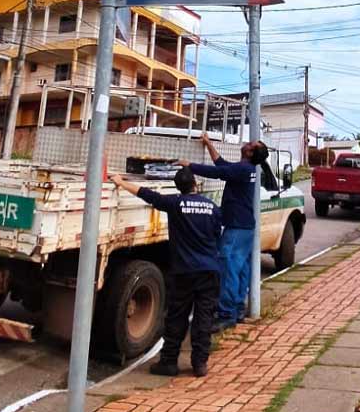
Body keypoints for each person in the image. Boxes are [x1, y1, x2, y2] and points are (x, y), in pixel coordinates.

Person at [110, 167, 222, 378]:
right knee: (204, 318)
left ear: (178, 187)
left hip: (184, 271)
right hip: (209, 270)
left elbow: (147, 195)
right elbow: (217, 235)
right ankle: (199, 363)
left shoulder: (175, 203)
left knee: (177, 317)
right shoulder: (212, 208)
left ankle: (169, 362)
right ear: (195, 185)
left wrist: (121, 182)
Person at [178, 133, 269, 332]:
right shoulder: (246, 169)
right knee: (241, 269)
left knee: (228, 269)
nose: (246, 143)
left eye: (250, 144)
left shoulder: (244, 169)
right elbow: (221, 165)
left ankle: (226, 314)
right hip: (244, 227)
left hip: (236, 227)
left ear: (250, 152)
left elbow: (216, 172)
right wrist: (209, 144)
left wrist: (189, 166)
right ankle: (236, 309)